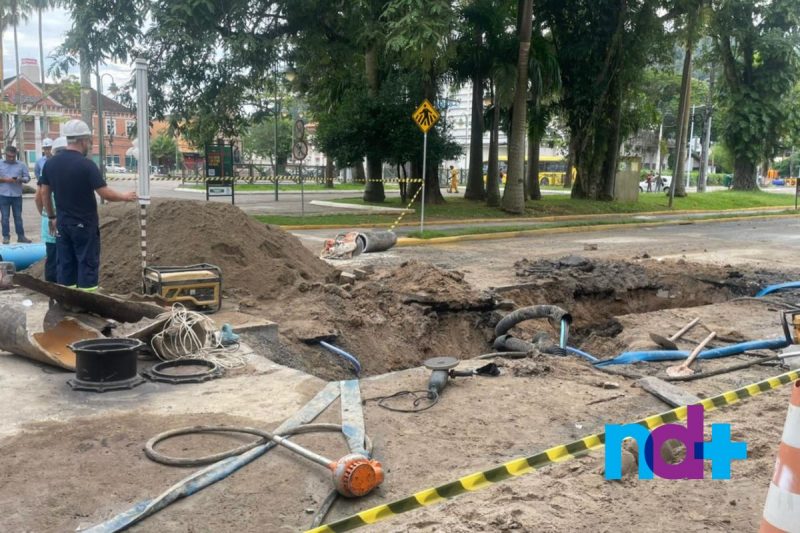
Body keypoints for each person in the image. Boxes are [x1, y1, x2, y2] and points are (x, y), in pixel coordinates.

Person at [40, 120, 137, 292]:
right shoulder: (87, 165)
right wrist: (125, 196)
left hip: (63, 224)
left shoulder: (51, 164)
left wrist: (52, 217)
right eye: (89, 141)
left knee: (66, 264)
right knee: (86, 264)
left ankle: (67, 302)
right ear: (83, 140)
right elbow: (105, 193)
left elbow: (44, 193)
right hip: (84, 225)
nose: (89, 145)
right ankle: (86, 304)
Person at [35, 136, 66, 282]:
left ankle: (51, 291)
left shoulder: (48, 167)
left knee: (52, 256)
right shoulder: (58, 169)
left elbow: (38, 197)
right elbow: (40, 195)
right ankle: (59, 289)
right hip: (59, 220)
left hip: (49, 220)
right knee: (61, 258)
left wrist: (44, 214)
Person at [0, 145, 32, 244]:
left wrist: (20, 179)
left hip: (17, 196)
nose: (11, 158)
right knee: (5, 217)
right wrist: (6, 180)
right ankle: (6, 237)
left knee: (18, 217)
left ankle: (21, 236)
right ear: (5, 154)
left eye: (13, 156)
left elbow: (27, 178)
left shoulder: (21, 165)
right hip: (3, 195)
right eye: (9, 156)